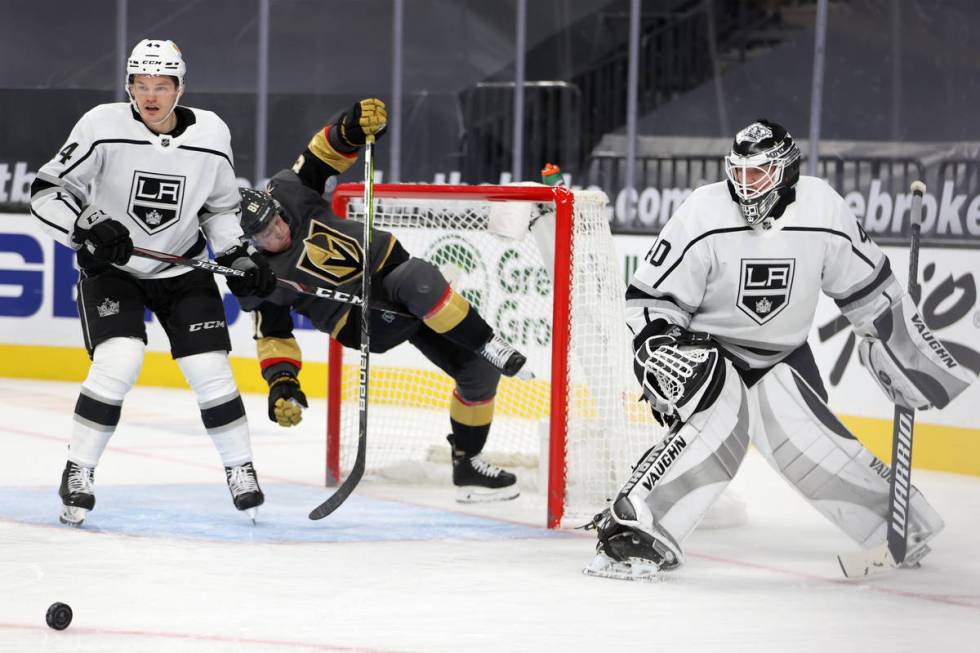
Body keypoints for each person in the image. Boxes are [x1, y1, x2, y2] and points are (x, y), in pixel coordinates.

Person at [584, 119, 975, 580]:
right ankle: (635, 526)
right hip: (708, 355)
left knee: (813, 442)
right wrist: (657, 347)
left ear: (786, 171)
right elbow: (650, 300)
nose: (746, 186)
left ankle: (903, 526)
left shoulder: (823, 209)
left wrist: (901, 351)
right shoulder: (703, 213)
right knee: (721, 420)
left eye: (759, 173)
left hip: (781, 356)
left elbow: (870, 293)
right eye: (739, 173)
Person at [30, 39, 277, 527]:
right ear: (128, 87)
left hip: (182, 269)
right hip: (113, 270)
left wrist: (238, 257)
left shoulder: (211, 133)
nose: (151, 96)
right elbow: (48, 190)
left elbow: (221, 208)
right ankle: (78, 470)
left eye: (161, 86)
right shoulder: (102, 125)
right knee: (119, 361)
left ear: (179, 88)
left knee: (211, 369)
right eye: (141, 85)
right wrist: (87, 226)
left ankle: (240, 468)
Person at [234, 98, 527, 502]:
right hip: (360, 317)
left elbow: (320, 156)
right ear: (251, 242)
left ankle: (468, 464)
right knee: (419, 280)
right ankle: (489, 341)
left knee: (478, 373)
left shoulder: (289, 192)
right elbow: (273, 335)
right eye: (265, 235)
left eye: (276, 221)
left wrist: (350, 128)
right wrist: (283, 385)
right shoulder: (260, 277)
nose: (277, 232)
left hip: (388, 272)